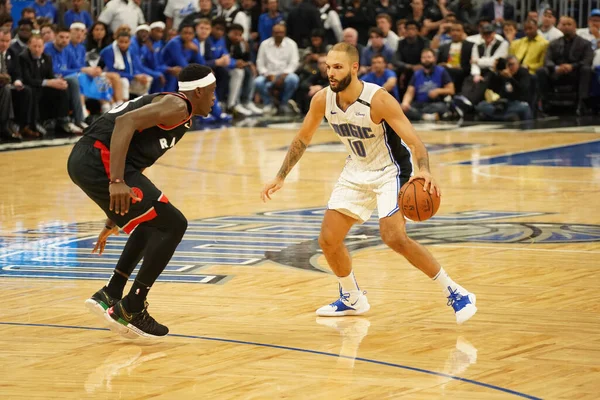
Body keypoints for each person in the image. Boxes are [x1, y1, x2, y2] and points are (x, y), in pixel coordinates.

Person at [260, 43, 477, 324]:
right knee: (328, 239)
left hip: (391, 170)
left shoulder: (378, 99)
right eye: (328, 67)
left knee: (393, 236)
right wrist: (280, 176)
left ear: (354, 67)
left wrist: (424, 170)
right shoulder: (322, 100)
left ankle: (456, 292)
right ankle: (352, 297)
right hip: (356, 170)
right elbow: (302, 138)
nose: (330, 73)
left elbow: (414, 141)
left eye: (337, 67)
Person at [69, 64, 216, 338]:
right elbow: (125, 123)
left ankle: (111, 293)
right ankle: (133, 307)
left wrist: (113, 218)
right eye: (212, 91)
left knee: (150, 223)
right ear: (197, 91)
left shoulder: (180, 116)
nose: (214, 98)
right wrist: (115, 181)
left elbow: (137, 163)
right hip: (97, 157)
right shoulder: (177, 105)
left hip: (95, 160)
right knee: (174, 224)